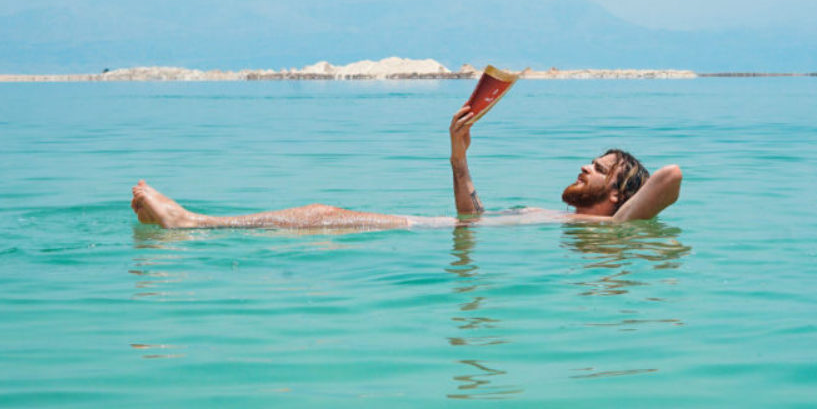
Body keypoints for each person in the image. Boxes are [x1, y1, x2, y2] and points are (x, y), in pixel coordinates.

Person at [130, 105, 683, 230]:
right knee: (322, 216)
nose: (584, 166)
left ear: (618, 192)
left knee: (322, 216)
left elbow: (671, 176)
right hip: (445, 230)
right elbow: (473, 217)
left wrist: (622, 215)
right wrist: (458, 153)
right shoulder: (580, 228)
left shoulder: (611, 230)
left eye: (599, 168)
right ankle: (194, 223)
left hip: (422, 235)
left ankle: (191, 224)